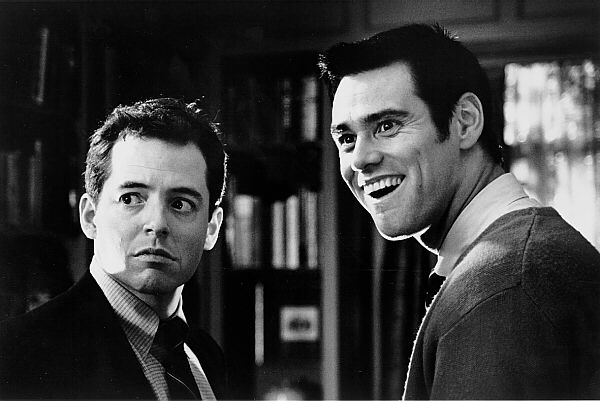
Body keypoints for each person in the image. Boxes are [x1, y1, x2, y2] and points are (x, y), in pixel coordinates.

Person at [319, 23, 600, 399]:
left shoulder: (503, 285)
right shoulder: (519, 260)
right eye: (347, 138)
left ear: (465, 121)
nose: (360, 159)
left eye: (387, 125)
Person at [0, 98, 228, 400]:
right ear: (90, 216)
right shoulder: (15, 357)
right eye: (130, 198)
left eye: (180, 204)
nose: (157, 224)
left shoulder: (207, 356)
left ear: (211, 228)